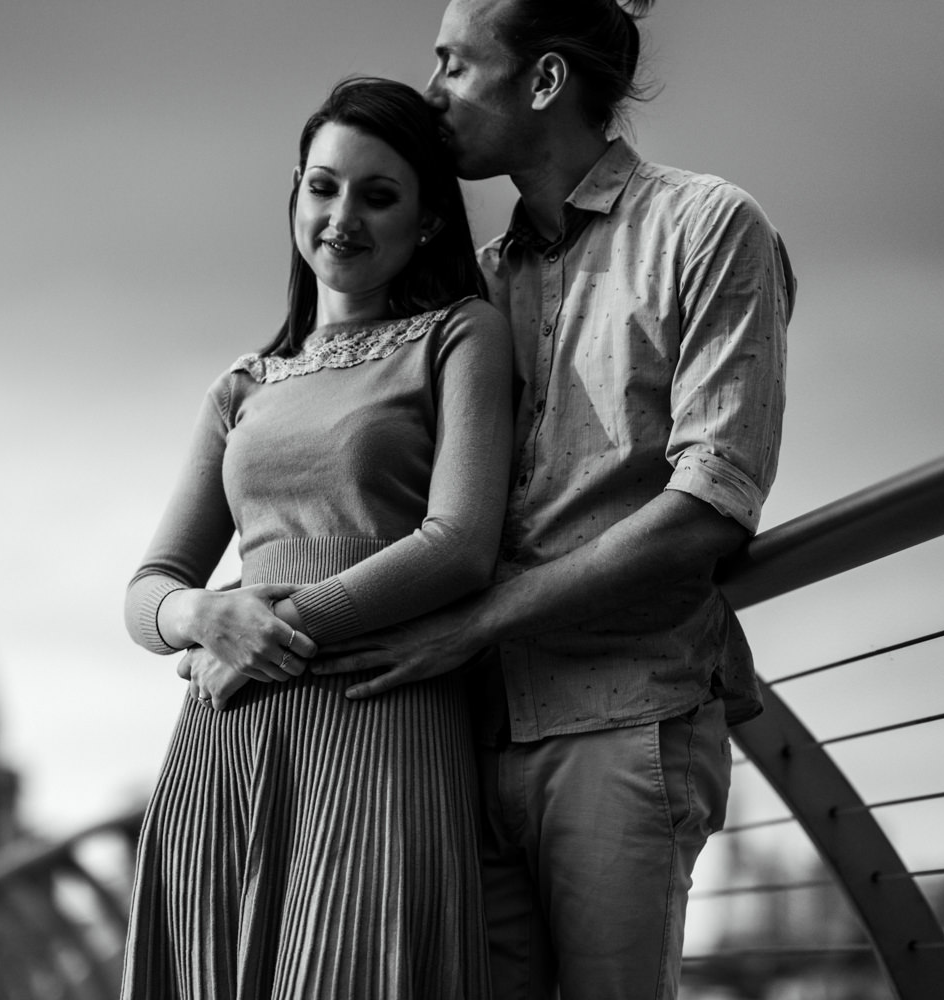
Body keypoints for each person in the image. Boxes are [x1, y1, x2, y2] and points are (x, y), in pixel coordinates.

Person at [313, 2, 796, 998]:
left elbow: (709, 502)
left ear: (541, 82)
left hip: (623, 718)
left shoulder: (708, 228)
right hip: (458, 735)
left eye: (455, 62)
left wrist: (477, 621)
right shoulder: (475, 290)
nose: (434, 89)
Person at [121, 77, 514, 998]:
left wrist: (272, 630)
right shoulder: (241, 388)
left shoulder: (461, 337)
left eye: (379, 196)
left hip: (384, 727)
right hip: (222, 745)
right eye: (324, 187)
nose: (344, 216)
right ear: (295, 194)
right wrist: (205, 616)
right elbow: (148, 589)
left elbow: (458, 543)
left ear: (424, 224)